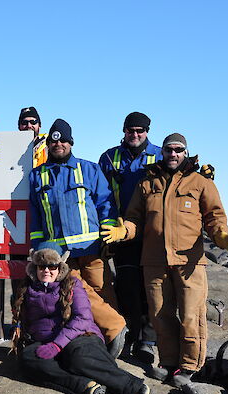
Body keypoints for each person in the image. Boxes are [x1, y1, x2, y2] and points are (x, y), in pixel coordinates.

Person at [101, 133, 228, 386]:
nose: (173, 154)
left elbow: (214, 217)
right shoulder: (147, 184)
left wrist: (221, 235)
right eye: (168, 150)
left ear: (185, 152)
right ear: (162, 152)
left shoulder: (200, 182)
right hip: (154, 261)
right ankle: (168, 363)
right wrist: (124, 231)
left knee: (191, 315)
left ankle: (189, 366)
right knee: (160, 314)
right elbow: (134, 219)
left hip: (189, 262)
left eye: (178, 150)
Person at [28, 118, 127, 357]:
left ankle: (107, 341)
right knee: (74, 294)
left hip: (92, 248)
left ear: (71, 142)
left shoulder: (89, 169)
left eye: (62, 139)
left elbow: (105, 203)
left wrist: (109, 232)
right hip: (60, 254)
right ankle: (114, 329)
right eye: (53, 140)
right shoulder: (37, 176)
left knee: (103, 294)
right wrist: (39, 250)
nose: (58, 144)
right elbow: (36, 216)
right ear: (48, 145)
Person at [13, 244, 150, 394]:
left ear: (60, 267)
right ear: (35, 267)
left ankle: (132, 387)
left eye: (52, 266)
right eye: (42, 266)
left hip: (80, 337)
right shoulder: (26, 288)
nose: (47, 270)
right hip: (46, 341)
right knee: (28, 359)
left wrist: (57, 345)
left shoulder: (72, 284)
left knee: (78, 358)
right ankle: (85, 385)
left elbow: (83, 319)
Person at [98, 112, 163, 363]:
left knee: (150, 288)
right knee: (126, 287)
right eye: (130, 130)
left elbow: (182, 177)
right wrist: (106, 232)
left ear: (147, 131)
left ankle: (147, 341)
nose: (135, 135)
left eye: (140, 130)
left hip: (152, 234)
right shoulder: (108, 157)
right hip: (120, 234)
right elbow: (100, 197)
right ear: (123, 130)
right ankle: (128, 336)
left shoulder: (160, 154)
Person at [11, 106, 48, 311]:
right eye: (24, 122)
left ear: (39, 125)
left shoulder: (50, 146)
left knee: (42, 266)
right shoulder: (10, 146)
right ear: (18, 126)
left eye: (33, 122)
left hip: (42, 214)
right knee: (17, 269)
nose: (28, 125)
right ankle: (19, 314)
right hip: (16, 214)